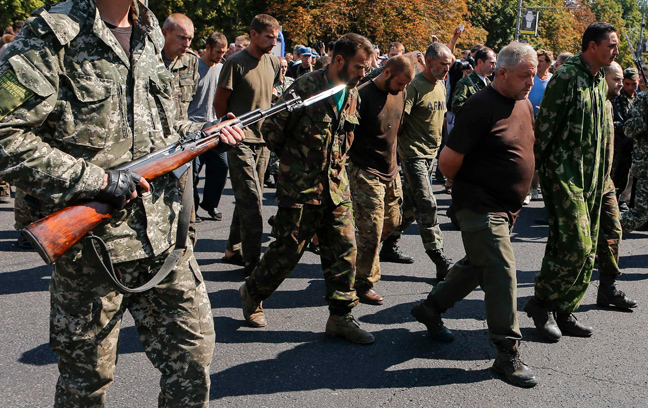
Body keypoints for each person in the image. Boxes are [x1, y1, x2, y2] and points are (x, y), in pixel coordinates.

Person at [0, 0, 245, 406]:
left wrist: (204, 132)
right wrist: (98, 180)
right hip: (91, 253)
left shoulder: (150, 31)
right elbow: (5, 136)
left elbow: (160, 128)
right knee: (85, 385)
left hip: (165, 241)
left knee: (193, 364)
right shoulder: (50, 35)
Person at [410, 41, 538, 388]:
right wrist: (475, 186)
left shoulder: (523, 102)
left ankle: (430, 308)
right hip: (479, 206)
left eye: (535, 74)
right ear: (503, 73)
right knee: (500, 271)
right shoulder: (479, 106)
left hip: (506, 208)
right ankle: (506, 352)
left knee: (478, 264)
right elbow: (448, 162)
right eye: (526, 75)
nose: (532, 81)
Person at [240, 33, 376, 345]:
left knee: (345, 251)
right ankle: (252, 292)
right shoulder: (305, 88)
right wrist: (295, 164)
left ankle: (341, 317)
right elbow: (272, 129)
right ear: (339, 60)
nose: (364, 73)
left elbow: (347, 139)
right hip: (301, 188)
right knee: (288, 251)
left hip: (335, 188)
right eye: (359, 66)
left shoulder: (353, 93)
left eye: (367, 68)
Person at [525, 22, 619, 342]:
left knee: (585, 245)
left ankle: (564, 309)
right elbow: (545, 129)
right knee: (576, 243)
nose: (615, 51)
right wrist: (539, 175)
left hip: (591, 177)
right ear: (591, 46)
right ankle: (540, 303)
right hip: (563, 174)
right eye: (611, 44)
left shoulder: (597, 80)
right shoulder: (566, 77)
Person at [379, 43, 454, 281]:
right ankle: (439, 258)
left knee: (409, 208)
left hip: (431, 155)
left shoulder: (441, 85)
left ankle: (386, 245)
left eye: (449, 64)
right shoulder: (414, 87)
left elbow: (440, 120)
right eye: (442, 64)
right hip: (413, 155)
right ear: (429, 62)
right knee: (426, 203)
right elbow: (399, 122)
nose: (446, 68)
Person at [215, 14, 281, 273]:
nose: (273, 42)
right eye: (269, 37)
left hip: (263, 141)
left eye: (276, 38)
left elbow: (272, 93)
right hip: (238, 139)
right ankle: (253, 260)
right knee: (253, 199)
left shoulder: (274, 62)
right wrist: (227, 127)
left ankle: (233, 248)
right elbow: (220, 102)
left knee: (247, 196)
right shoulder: (235, 62)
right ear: (254, 34)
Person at [349, 56, 415, 305]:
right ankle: (364, 283)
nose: (402, 88)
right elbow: (347, 135)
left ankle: (351, 258)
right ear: (387, 72)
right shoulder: (362, 94)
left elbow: (396, 128)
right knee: (372, 230)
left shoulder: (402, 92)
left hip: (391, 169)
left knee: (392, 222)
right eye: (399, 83)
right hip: (365, 169)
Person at [595, 62, 637, 309]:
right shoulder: (591, 103)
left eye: (624, 81)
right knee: (577, 243)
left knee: (613, 232)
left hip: (606, 180)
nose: (621, 85)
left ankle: (608, 289)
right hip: (584, 182)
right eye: (617, 80)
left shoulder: (609, 104)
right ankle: (551, 299)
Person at [188, 32, 230, 221]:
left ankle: (210, 204)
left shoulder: (222, 69)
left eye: (224, 52)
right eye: (218, 52)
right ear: (207, 48)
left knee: (221, 167)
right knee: (193, 173)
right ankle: (192, 208)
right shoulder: (193, 68)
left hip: (215, 128)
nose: (221, 55)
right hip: (194, 129)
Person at [524, 49, 553, 205]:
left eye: (540, 61)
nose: (538, 64)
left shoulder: (553, 80)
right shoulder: (531, 78)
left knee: (540, 158)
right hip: (529, 120)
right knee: (529, 156)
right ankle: (527, 190)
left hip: (545, 123)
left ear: (548, 63)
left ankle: (535, 188)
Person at [621, 72, 648, 233]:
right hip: (646, 167)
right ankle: (602, 236)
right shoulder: (643, 100)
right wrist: (644, 119)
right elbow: (628, 129)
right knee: (640, 213)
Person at [162, 13, 199, 121]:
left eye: (190, 39)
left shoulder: (191, 61)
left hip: (180, 133)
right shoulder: (150, 59)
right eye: (182, 38)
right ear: (165, 33)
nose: (187, 44)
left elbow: (192, 95)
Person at [611, 68, 638, 207]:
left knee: (624, 176)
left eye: (633, 84)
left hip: (630, 146)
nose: (630, 87)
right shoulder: (616, 98)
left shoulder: (639, 99)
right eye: (627, 83)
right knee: (612, 176)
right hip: (616, 145)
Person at [450, 47, 496, 113]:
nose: (494, 67)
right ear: (480, 62)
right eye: (491, 63)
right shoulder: (465, 83)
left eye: (495, 63)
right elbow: (456, 107)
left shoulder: (489, 83)